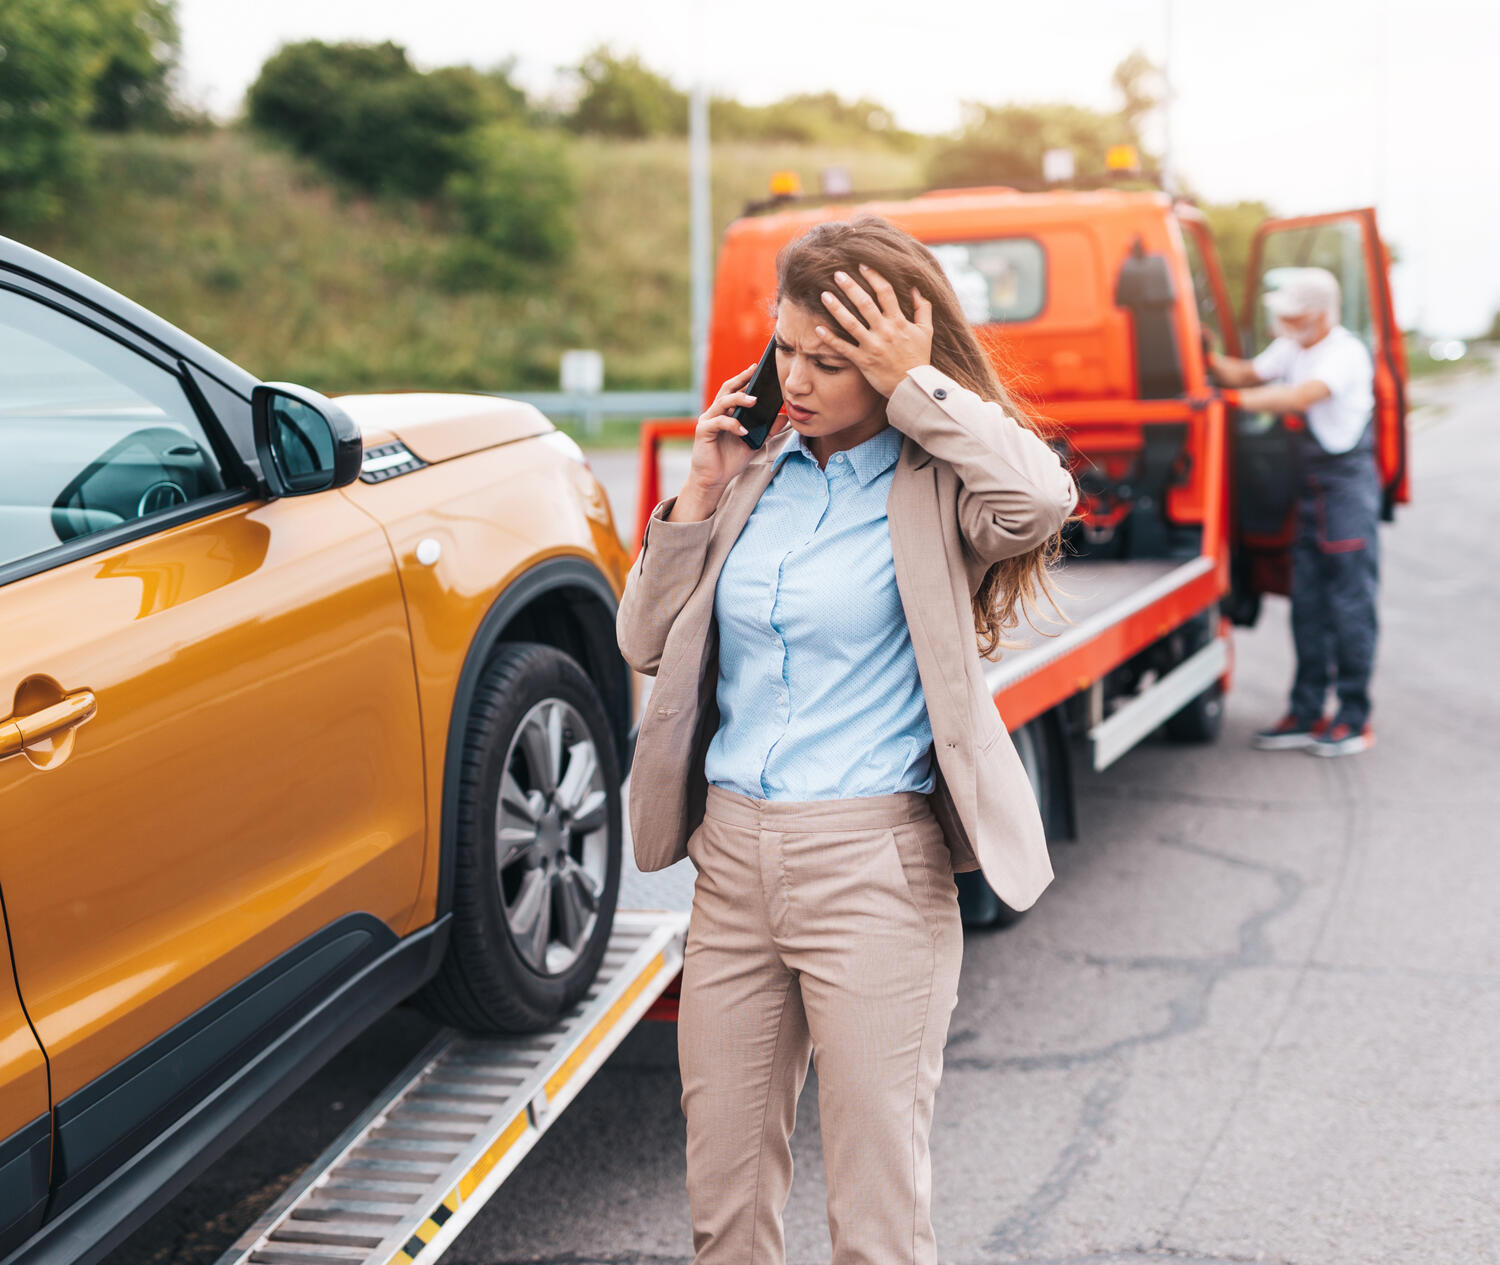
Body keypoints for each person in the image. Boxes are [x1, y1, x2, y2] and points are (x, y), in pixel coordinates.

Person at [616, 215, 1076, 1265]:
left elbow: (1044, 497)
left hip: (874, 864)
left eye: (835, 359)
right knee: (722, 1207)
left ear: (890, 362)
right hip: (731, 865)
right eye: (787, 350)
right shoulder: (758, 475)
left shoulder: (936, 489)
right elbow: (641, 637)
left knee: (875, 1220)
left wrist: (918, 383)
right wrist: (698, 490)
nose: (802, 378)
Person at [1208, 266, 1381, 757]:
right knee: (1307, 605)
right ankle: (1305, 712)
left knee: (1349, 608)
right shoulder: (1294, 347)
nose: (1285, 324)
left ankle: (1352, 716)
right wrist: (1209, 357)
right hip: (1309, 491)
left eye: (1295, 316)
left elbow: (1300, 396)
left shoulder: (1343, 353)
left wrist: (1230, 401)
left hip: (1344, 490)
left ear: (1322, 315)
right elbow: (1246, 372)